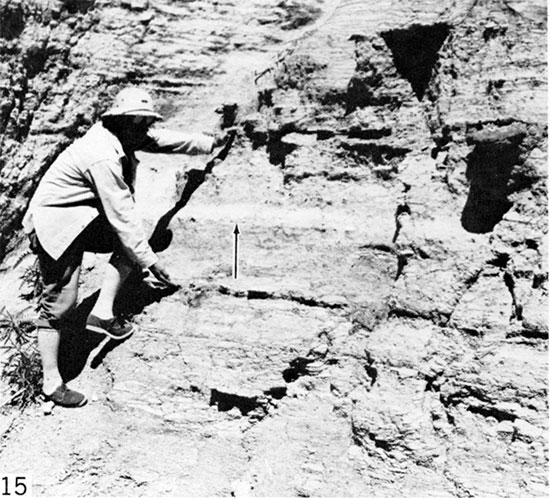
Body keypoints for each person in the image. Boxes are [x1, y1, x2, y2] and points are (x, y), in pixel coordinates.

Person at [23, 87, 224, 408]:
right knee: (61, 302)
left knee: (127, 244)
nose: (146, 132)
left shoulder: (123, 134)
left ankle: (102, 314)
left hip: (81, 218)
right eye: (141, 125)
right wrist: (151, 263)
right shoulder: (102, 154)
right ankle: (51, 382)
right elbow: (122, 216)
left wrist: (209, 143)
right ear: (122, 123)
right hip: (56, 226)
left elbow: (162, 140)